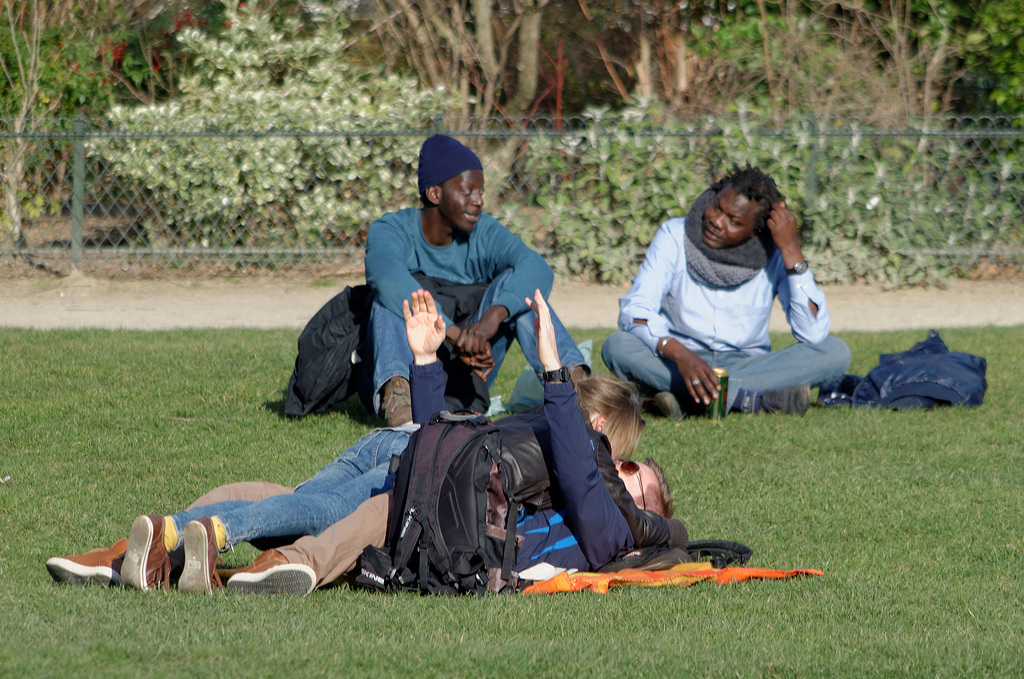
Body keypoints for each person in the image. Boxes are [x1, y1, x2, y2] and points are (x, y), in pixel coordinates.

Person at [47, 290, 684, 595]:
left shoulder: (579, 490)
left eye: (643, 487)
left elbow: (443, 440)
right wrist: (544, 377)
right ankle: (217, 547)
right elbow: (468, 450)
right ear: (600, 433)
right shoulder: (569, 455)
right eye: (633, 471)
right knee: (311, 512)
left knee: (277, 498)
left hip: (401, 451)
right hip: (406, 463)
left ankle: (137, 549)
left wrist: (428, 363)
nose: (629, 481)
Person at [363, 134, 589, 426]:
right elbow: (386, 276)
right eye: (468, 191)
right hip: (414, 365)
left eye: (481, 191)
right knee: (389, 298)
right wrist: (455, 334)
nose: (479, 201)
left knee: (517, 286)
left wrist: (491, 320)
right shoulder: (391, 229)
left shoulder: (484, 231)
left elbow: (537, 267)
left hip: (473, 368)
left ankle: (577, 389)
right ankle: (400, 401)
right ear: (435, 193)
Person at [601, 165, 851, 418]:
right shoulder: (674, 235)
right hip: (677, 360)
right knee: (617, 345)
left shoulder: (775, 252)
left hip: (748, 363)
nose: (717, 222)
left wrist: (791, 250)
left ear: (756, 231)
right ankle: (750, 399)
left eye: (733, 221)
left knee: (835, 352)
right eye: (718, 208)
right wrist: (679, 353)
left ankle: (688, 400)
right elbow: (635, 309)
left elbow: (813, 333)